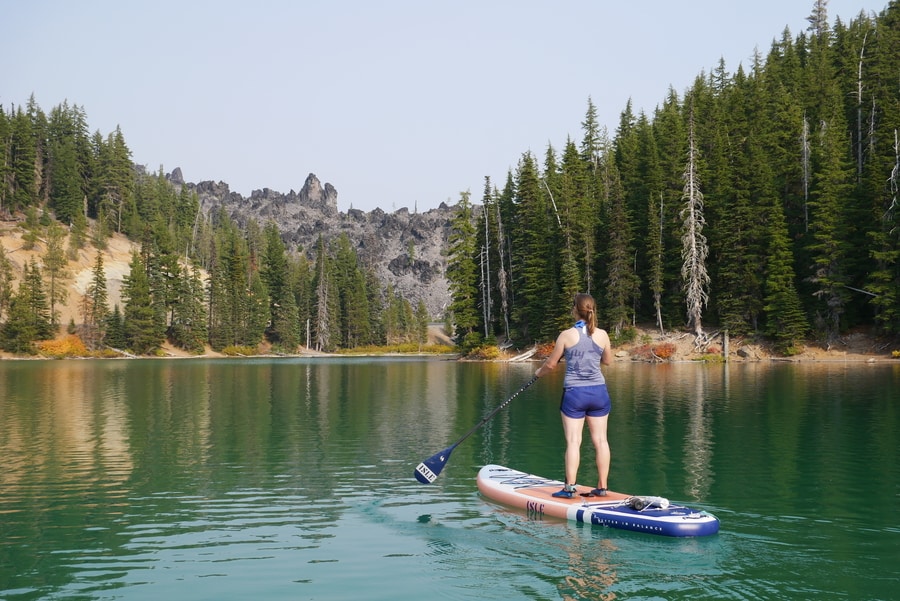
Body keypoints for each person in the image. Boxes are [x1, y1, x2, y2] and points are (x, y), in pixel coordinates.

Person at [533, 293, 613, 498]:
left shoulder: (566, 335)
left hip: (575, 394)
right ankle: (602, 487)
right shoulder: (602, 334)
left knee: (573, 441)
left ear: (575, 310)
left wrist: (537, 374)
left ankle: (569, 488)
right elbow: (608, 361)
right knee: (601, 441)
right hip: (599, 393)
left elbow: (551, 364)